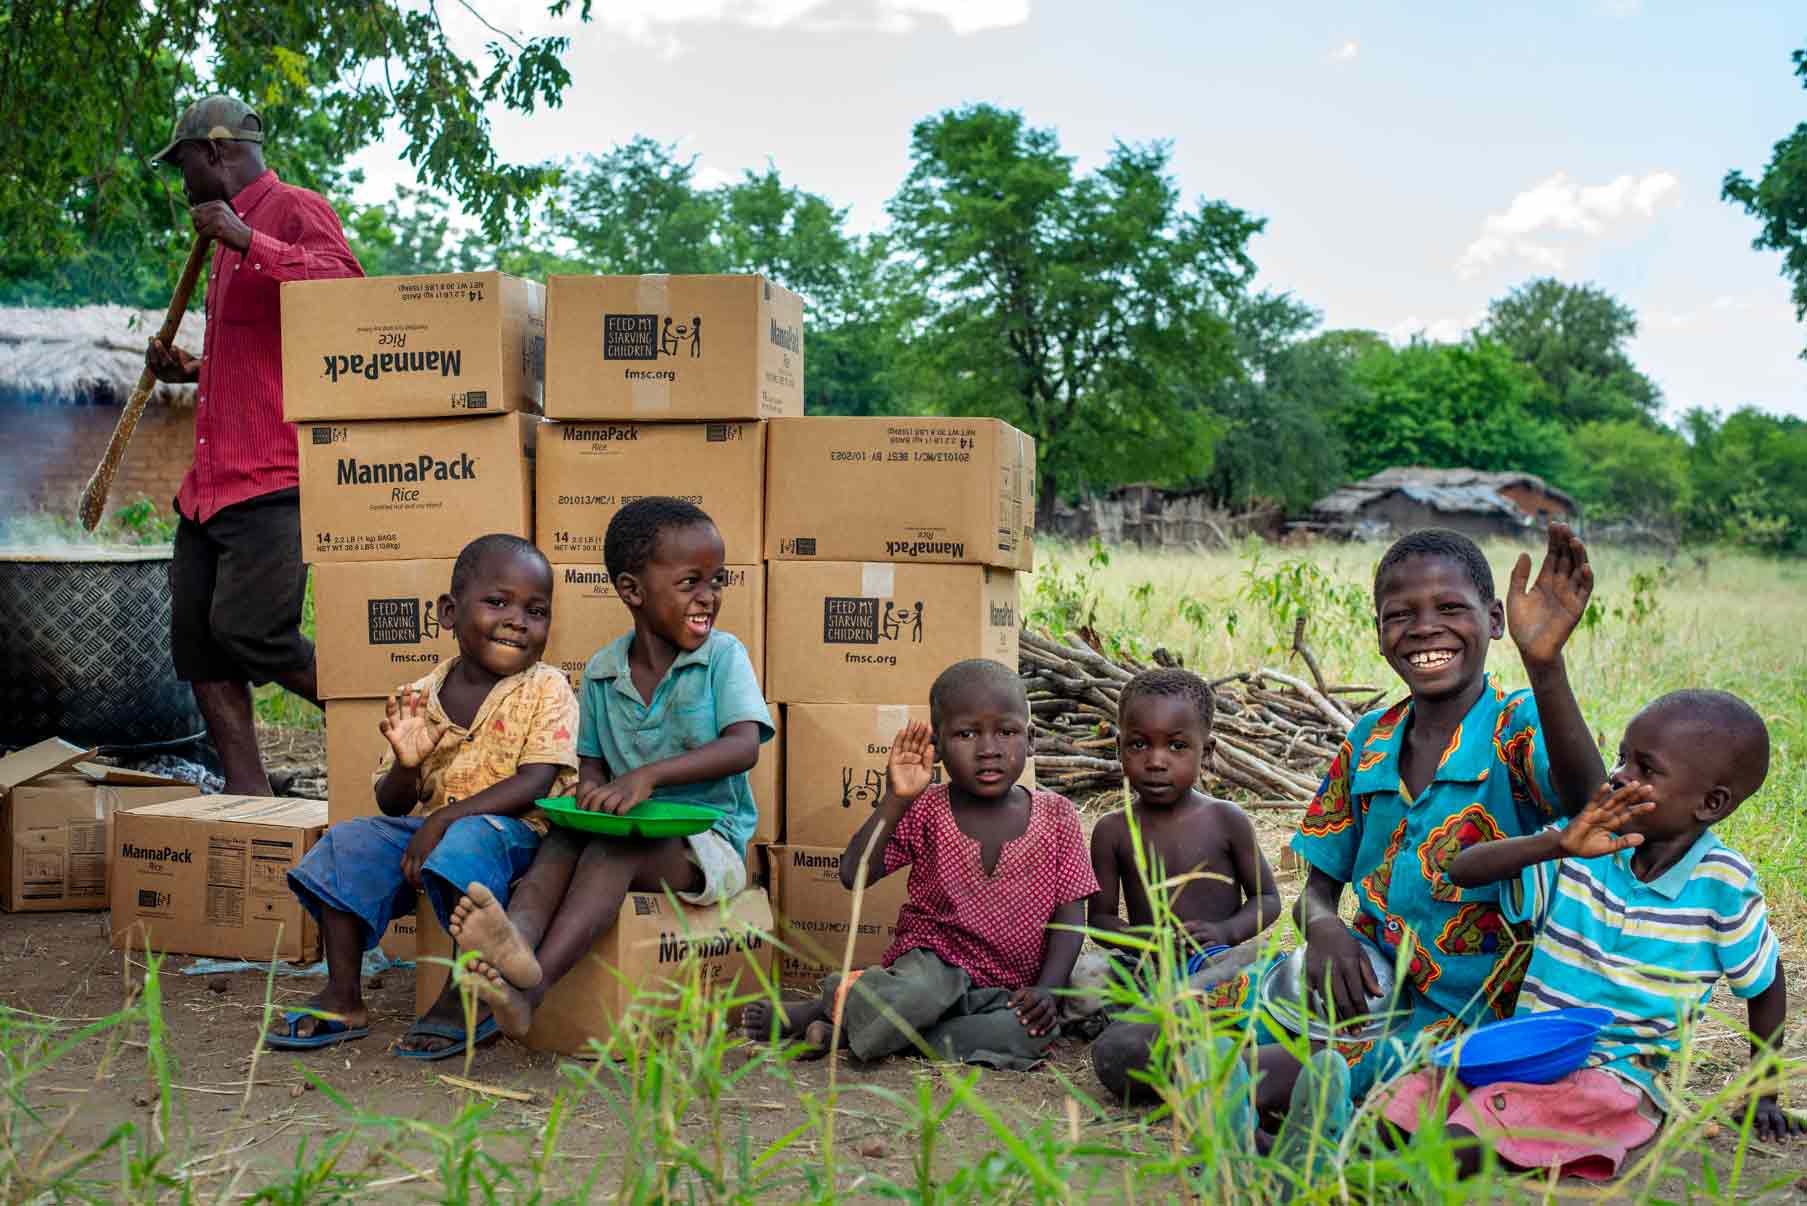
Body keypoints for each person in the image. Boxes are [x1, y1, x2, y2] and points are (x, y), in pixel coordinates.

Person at [1096, 527, 1602, 1125]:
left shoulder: (1518, 726)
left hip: (1461, 1016)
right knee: (1124, 1050)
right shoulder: (1368, 743)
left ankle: (1284, 1095)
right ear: (1380, 632)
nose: (1424, 628)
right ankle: (1276, 1087)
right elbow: (1316, 887)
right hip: (1353, 981)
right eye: (1400, 614)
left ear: (1494, 620)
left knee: (1273, 1076)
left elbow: (1589, 802)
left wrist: (1545, 666)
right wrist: (1326, 930)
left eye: (1449, 608)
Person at [1380, 691, 1797, 1177]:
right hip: (1531, 1049)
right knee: (1417, 1091)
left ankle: (1403, 1179)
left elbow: (1764, 983)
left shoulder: (1723, 885)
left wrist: (1760, 1092)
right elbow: (1462, 870)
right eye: (1621, 757)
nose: (1619, 774)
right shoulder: (1583, 849)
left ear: (1710, 803)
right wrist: (1556, 842)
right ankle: (1349, 1156)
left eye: (1646, 768)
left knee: (1496, 1116)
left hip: (1618, 1074)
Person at [449, 498, 772, 1037]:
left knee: (611, 848)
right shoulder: (602, 671)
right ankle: (516, 943)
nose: (708, 596)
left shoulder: (723, 657)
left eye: (718, 580)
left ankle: (535, 989)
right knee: (561, 839)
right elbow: (592, 765)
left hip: (708, 843)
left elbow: (743, 747)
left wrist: (647, 776)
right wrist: (592, 792)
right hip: (629, 826)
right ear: (632, 591)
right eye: (691, 581)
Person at [271, 535, 577, 1056]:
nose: (518, 620)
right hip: (436, 831)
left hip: (519, 834)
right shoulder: (420, 697)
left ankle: (467, 996)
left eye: (537, 610)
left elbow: (537, 780)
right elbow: (393, 803)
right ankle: (344, 994)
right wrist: (408, 768)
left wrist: (442, 823)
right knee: (350, 843)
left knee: (467, 839)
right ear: (448, 613)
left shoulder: (546, 687)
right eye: (498, 602)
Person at [143, 94, 364, 795]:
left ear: (214, 152)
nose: (180, 182)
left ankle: (393, 721)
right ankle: (250, 802)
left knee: (255, 634)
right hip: (209, 486)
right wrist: (194, 370)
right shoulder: (216, 238)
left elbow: (347, 293)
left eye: (182, 165)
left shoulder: (292, 209)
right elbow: (266, 353)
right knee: (202, 652)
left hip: (274, 474)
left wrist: (246, 239)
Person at [742, 659, 1098, 1070]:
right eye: (967, 734)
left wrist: (1048, 990)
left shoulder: (1058, 816)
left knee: (1027, 1032)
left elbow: (1072, 917)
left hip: (1008, 985)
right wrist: (895, 799)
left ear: (1030, 739)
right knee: (919, 997)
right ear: (939, 747)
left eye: (1006, 731)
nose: (989, 749)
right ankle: (831, 1005)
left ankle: (843, 1027)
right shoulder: (927, 808)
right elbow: (852, 875)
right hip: (933, 967)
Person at [1081, 668, 1280, 1024]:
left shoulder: (1226, 819)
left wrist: (1225, 931)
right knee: (1085, 976)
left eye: (1176, 746)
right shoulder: (1112, 830)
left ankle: (1173, 1012)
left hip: (1216, 960)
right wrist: (1141, 940)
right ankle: (1175, 1011)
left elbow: (1268, 900)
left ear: (1206, 752)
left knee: (1259, 957)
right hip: (1147, 969)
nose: (1156, 761)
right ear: (1119, 748)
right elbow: (1099, 919)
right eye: (1139, 745)